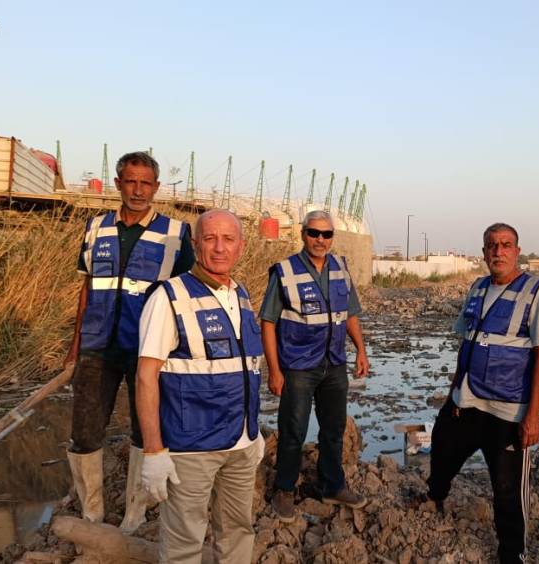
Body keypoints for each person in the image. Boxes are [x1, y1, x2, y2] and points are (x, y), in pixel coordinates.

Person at [65, 151, 194, 532]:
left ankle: (134, 517)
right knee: (84, 432)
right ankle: (92, 514)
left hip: (148, 350)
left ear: (156, 187)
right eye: (131, 182)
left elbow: (184, 295)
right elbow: (87, 288)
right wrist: (74, 346)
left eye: (145, 183)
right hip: (97, 346)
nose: (138, 190)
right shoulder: (96, 228)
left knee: (144, 429)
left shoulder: (176, 233)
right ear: (118, 184)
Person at [135, 209, 265, 564]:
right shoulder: (169, 297)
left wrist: (253, 431)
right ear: (195, 245)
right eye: (210, 239)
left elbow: (245, 367)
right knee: (184, 544)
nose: (219, 248)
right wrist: (153, 451)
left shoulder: (241, 295)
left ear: (241, 246)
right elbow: (146, 376)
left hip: (240, 444)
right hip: (191, 448)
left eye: (228, 239)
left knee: (238, 531)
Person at [424, 222, 539, 564]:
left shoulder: (535, 293)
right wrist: (453, 393)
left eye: (506, 245)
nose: (499, 251)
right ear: (483, 252)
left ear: (517, 251)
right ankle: (435, 497)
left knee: (508, 492)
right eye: (492, 245)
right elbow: (466, 344)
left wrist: (533, 415)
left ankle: (512, 555)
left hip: (507, 412)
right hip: (467, 402)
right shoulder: (478, 289)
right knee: (441, 448)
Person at [260, 209, 370, 522]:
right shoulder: (285, 271)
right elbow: (268, 322)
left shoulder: (340, 268)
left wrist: (361, 351)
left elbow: (350, 314)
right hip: (298, 366)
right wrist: (274, 370)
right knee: (292, 430)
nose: (320, 240)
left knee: (333, 429)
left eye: (326, 234)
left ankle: (332, 485)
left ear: (332, 237)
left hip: (334, 364)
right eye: (314, 233)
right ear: (303, 234)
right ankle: (284, 489)